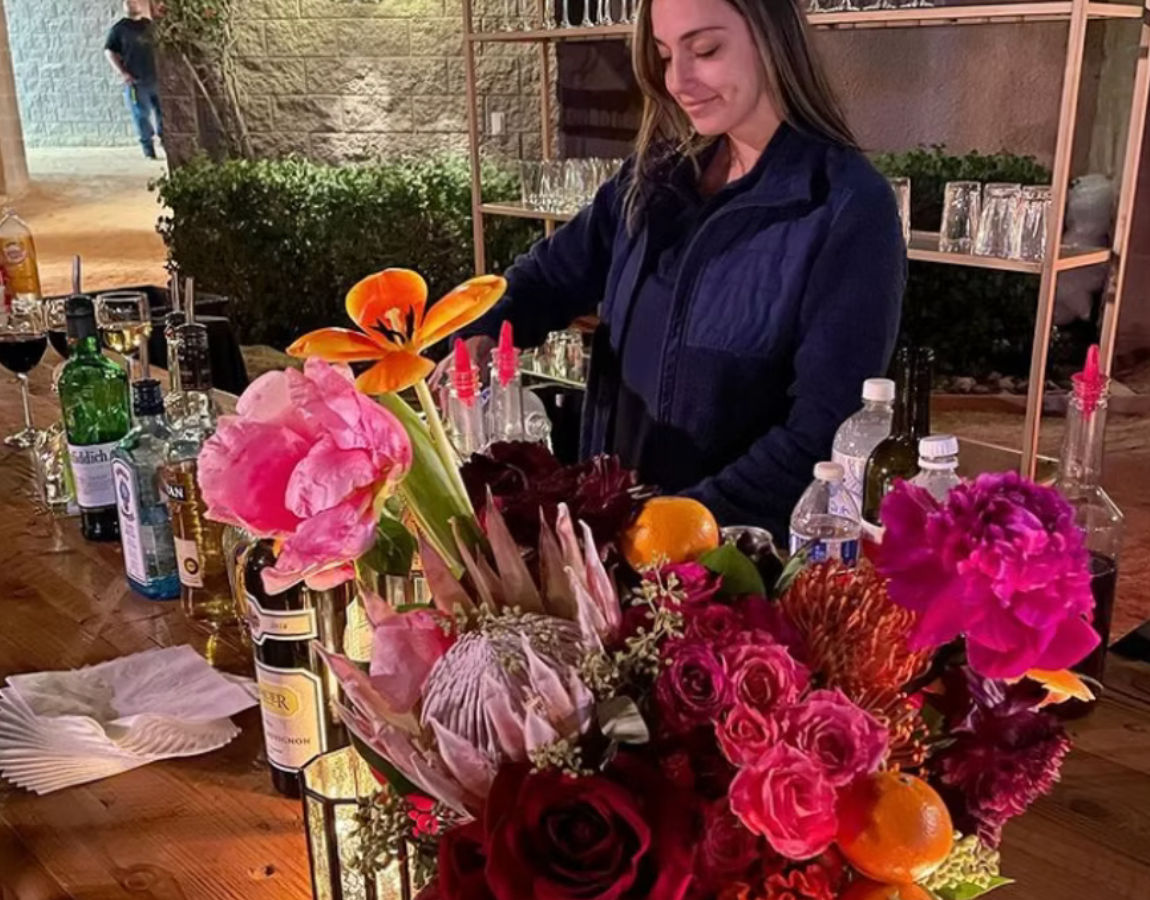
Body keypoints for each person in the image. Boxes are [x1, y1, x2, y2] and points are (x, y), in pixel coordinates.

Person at [458, 0, 906, 542]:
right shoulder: (655, 178)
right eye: (666, 56)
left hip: (732, 563)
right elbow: (547, 279)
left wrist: (668, 527)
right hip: (614, 539)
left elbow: (820, 431)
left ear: (773, 39)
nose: (679, 81)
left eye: (706, 50)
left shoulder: (844, 205)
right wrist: (480, 332)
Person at [104, 1, 164, 159]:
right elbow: (109, 52)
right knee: (141, 115)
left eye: (135, 1)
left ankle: (166, 142)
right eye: (129, 2)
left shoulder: (150, 25)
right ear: (125, 7)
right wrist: (122, 73)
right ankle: (148, 148)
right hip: (135, 83)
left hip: (157, 79)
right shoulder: (119, 29)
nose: (133, 4)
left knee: (163, 113)